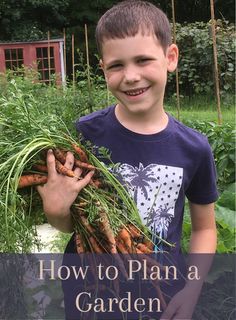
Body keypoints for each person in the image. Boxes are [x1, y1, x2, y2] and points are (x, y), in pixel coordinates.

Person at [37, 1, 218, 318]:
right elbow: (71, 223)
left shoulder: (194, 147)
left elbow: (204, 229)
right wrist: (55, 211)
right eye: (116, 65)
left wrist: (192, 289)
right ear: (102, 68)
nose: (131, 76)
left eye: (143, 60)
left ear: (170, 58)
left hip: (162, 290)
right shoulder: (84, 135)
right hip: (90, 290)